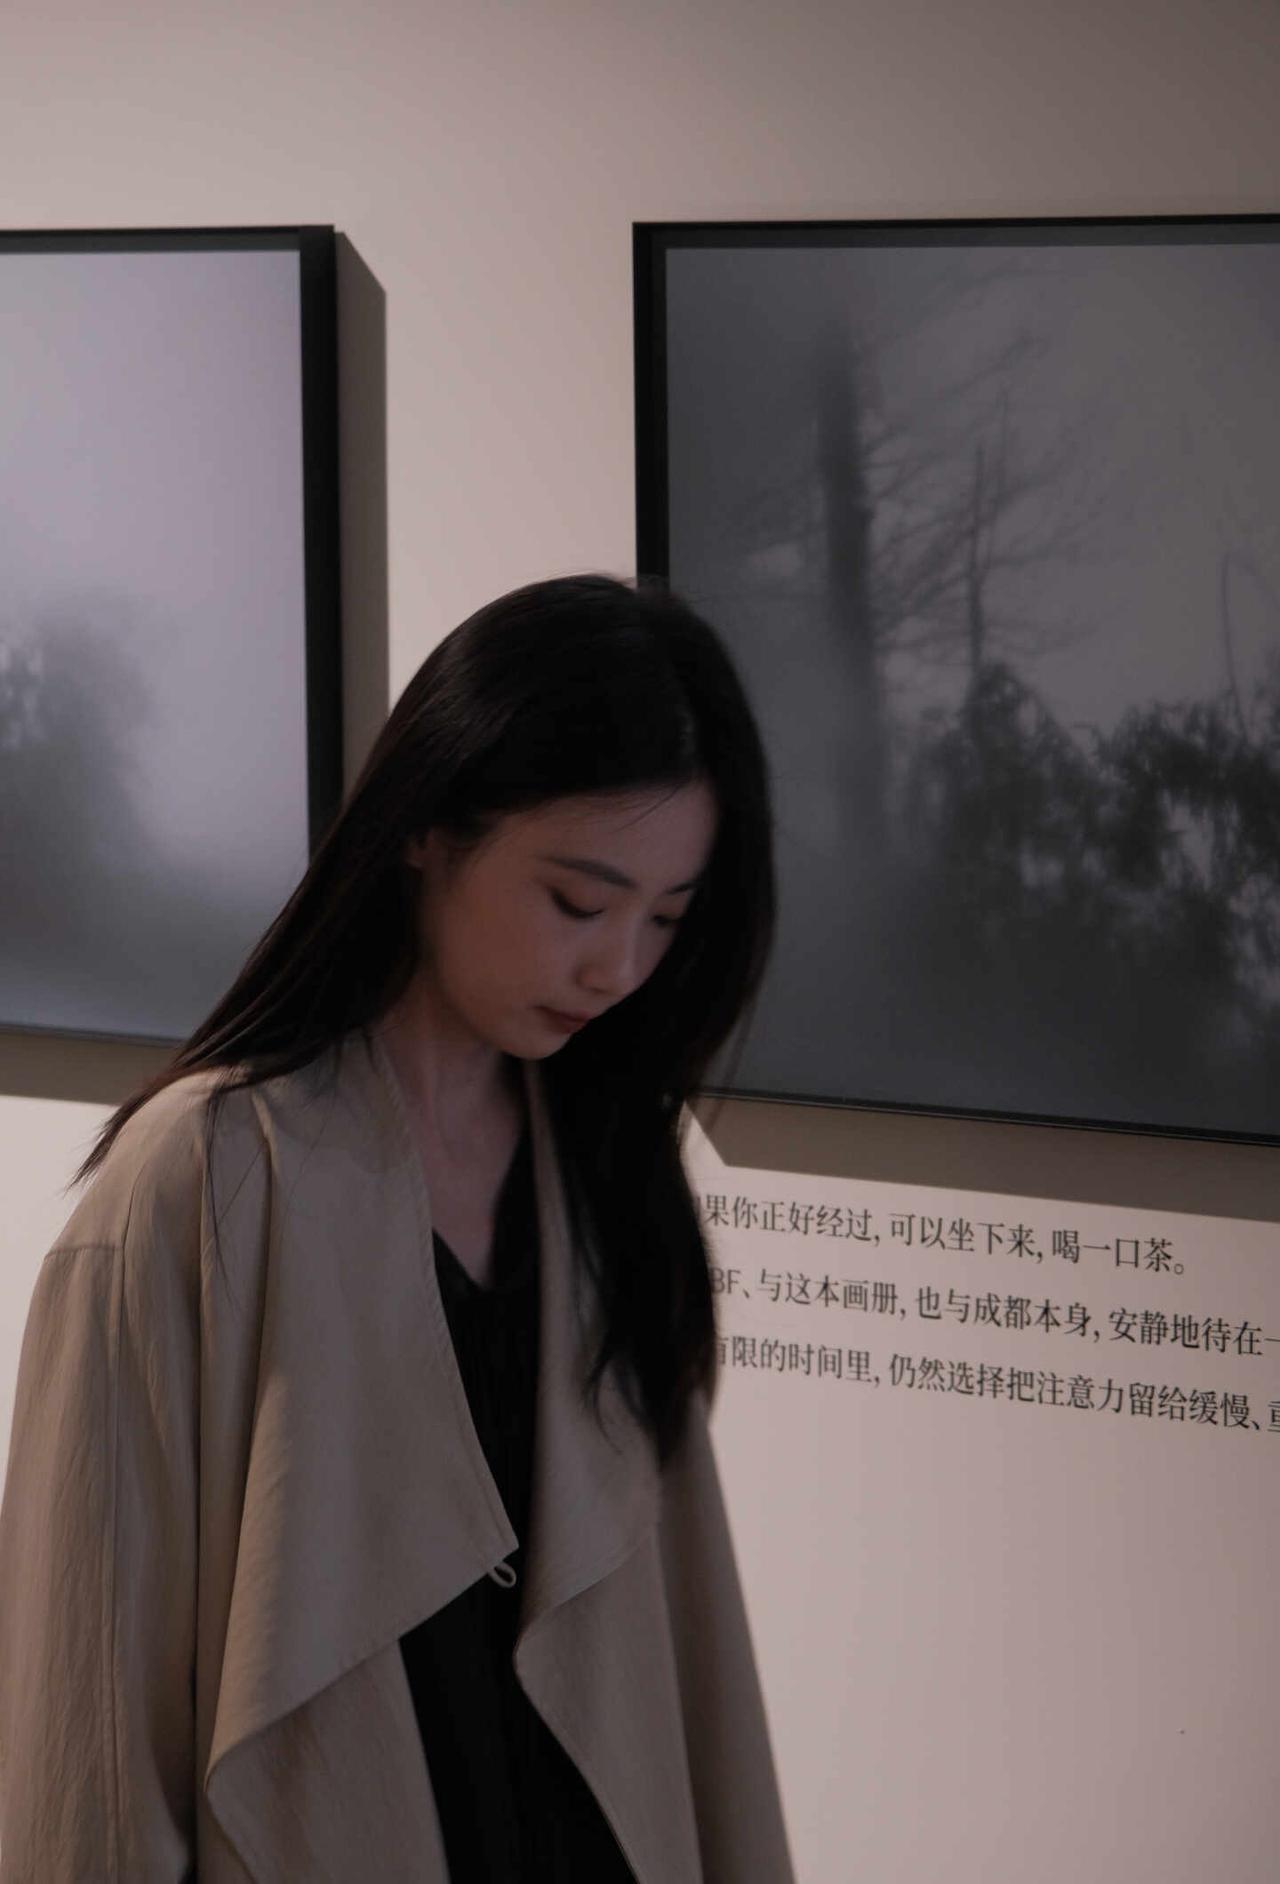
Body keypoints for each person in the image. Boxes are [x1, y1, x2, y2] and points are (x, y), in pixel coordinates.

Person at [0, 573, 796, 1882]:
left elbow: (690, 1677)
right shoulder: (200, 1185)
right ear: (428, 825)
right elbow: (87, 1741)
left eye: (666, 918)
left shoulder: (609, 1174)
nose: (619, 969)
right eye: (578, 901)